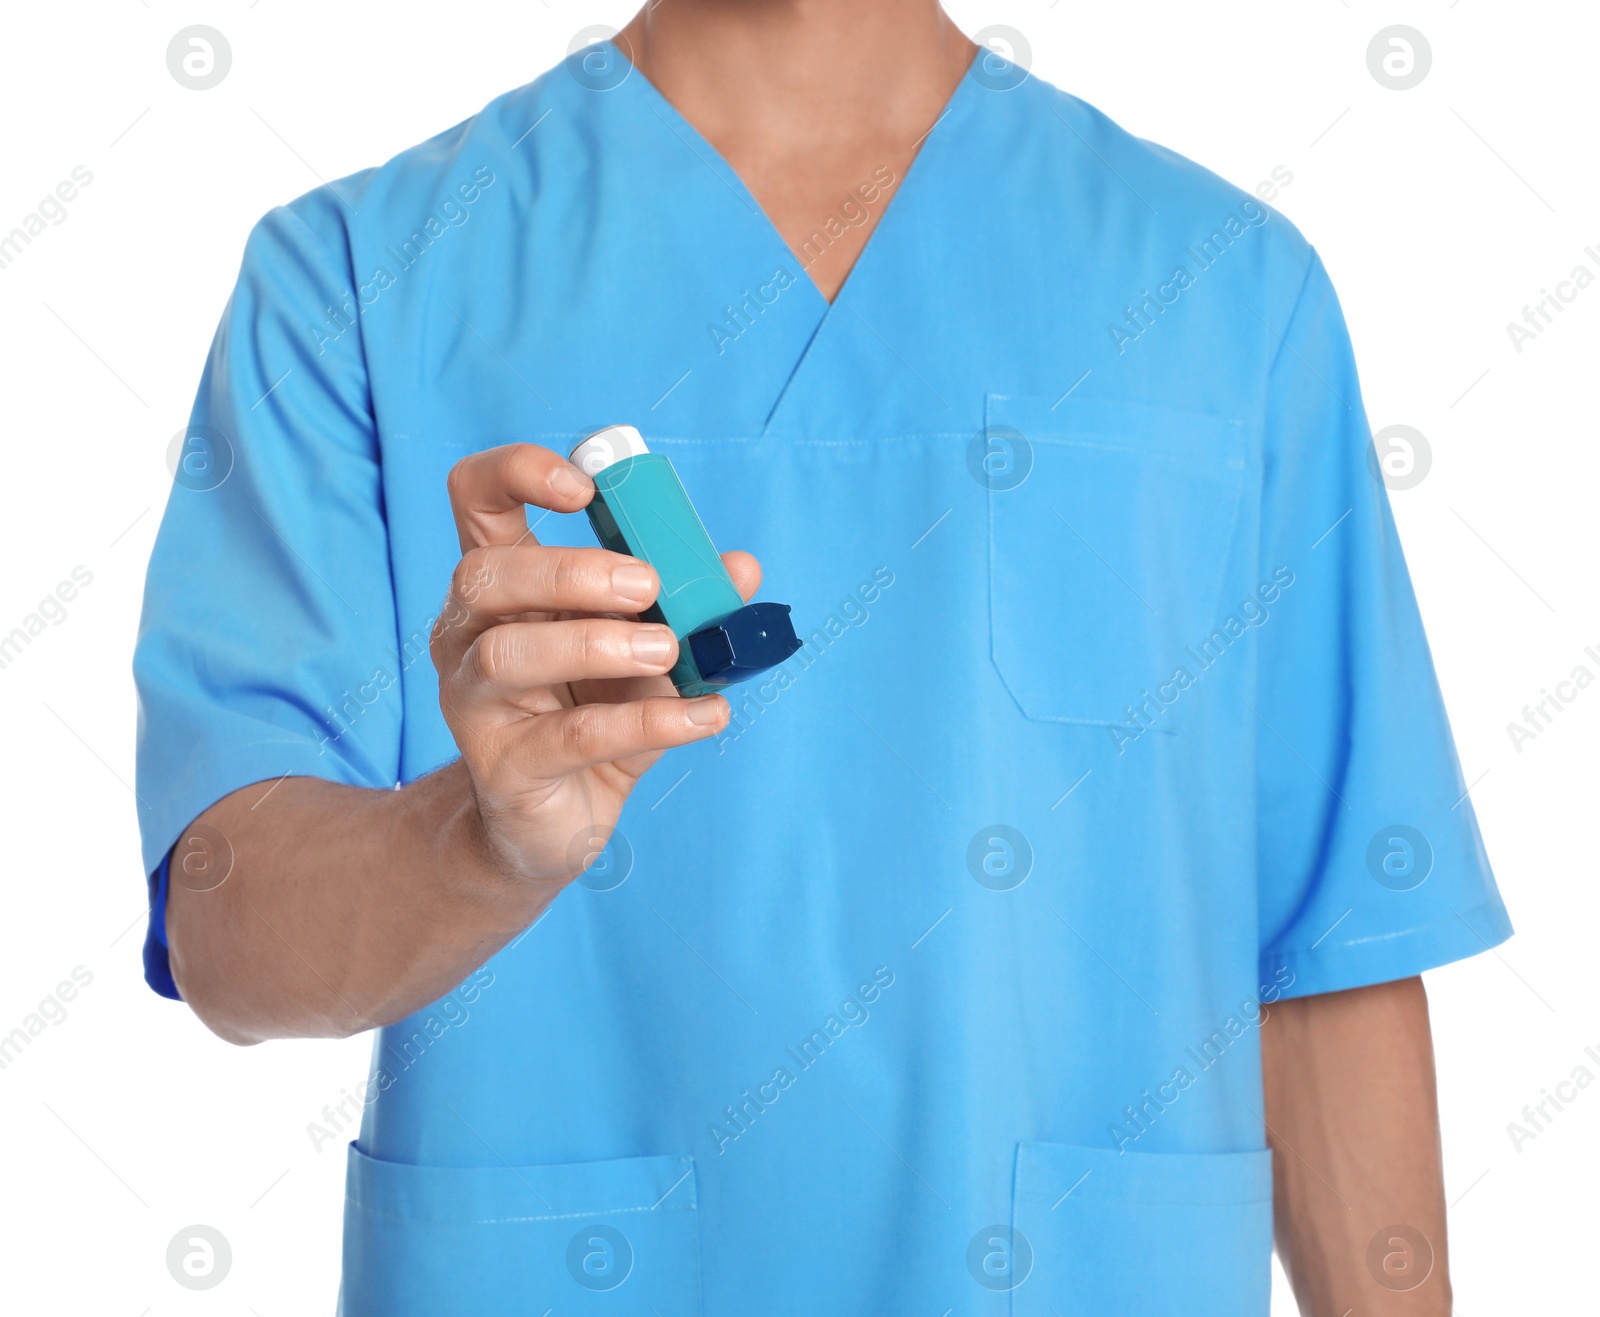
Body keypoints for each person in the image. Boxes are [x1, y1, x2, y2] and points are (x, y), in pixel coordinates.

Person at [134, 2, 1511, 1313]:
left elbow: (1328, 936)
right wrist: (477, 842)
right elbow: (228, 930)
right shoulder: (360, 285)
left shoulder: (1227, 291)